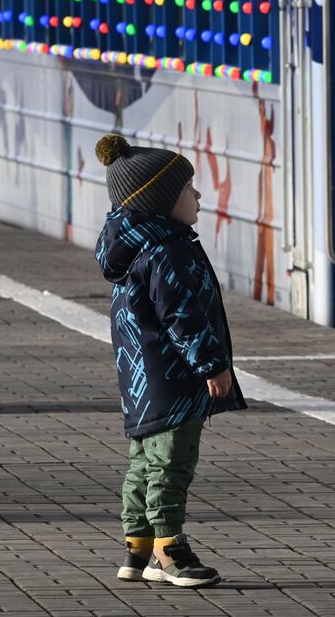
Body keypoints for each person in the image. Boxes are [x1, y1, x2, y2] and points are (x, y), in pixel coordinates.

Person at [93, 133, 246, 588]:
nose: (197, 195)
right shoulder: (168, 250)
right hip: (174, 379)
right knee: (172, 463)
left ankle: (136, 548)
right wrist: (212, 366)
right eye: (186, 189)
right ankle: (170, 550)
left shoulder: (134, 248)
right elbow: (183, 317)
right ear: (160, 201)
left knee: (144, 460)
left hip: (143, 381)